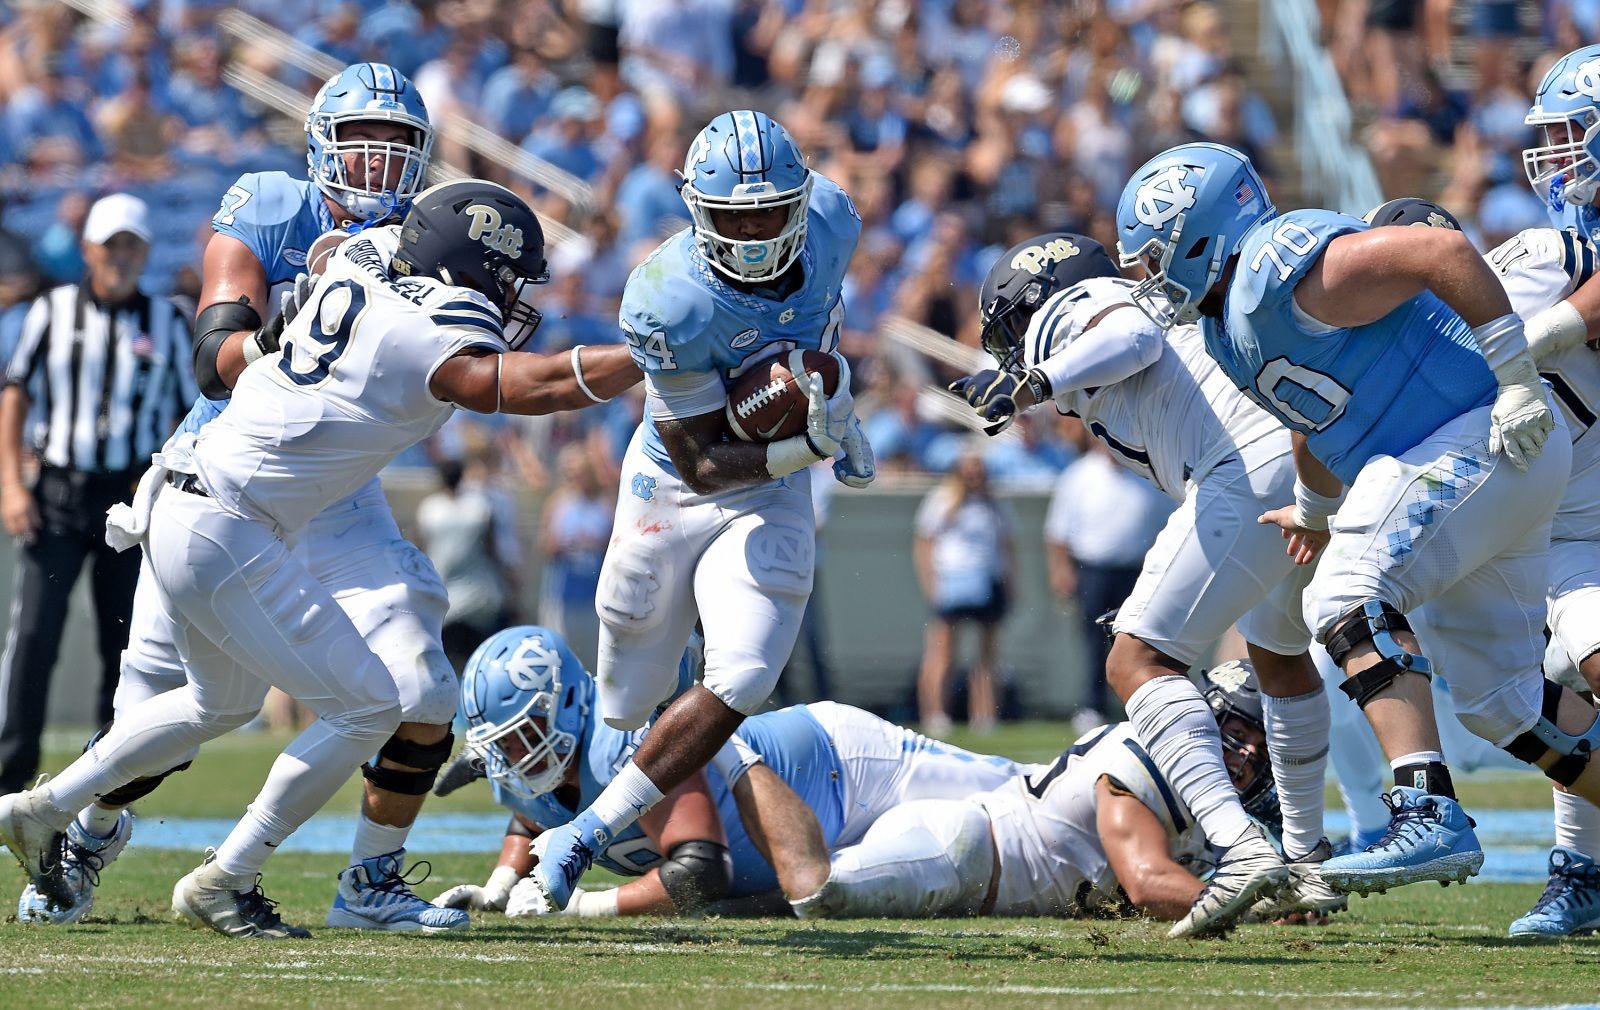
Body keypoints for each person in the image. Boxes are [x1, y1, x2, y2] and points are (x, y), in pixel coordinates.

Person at [0, 179, 640, 939]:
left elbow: (359, 248)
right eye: (504, 276)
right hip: (229, 521)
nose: (510, 295)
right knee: (370, 703)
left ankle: (41, 810)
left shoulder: (363, 260)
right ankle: (225, 878)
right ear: (466, 269)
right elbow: (507, 384)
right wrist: (643, 357)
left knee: (221, 705)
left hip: (187, 495)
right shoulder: (425, 330)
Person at [9, 63, 478, 932]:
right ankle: (88, 831)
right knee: (155, 722)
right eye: (359, 150)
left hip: (335, 491)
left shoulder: (432, 237)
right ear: (318, 149)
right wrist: (303, 325)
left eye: (396, 152)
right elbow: (212, 356)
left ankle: (369, 884)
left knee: (424, 690)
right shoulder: (272, 204)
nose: (377, 173)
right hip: (226, 472)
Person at [1112, 142, 1599, 899]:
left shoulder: (1279, 266)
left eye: (1152, 258)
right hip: (1483, 460)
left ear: (1201, 232)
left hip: (1486, 433)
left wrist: (1513, 377)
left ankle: (1425, 808)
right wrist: (1312, 510)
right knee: (1501, 702)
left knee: (1340, 597)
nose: (1148, 279)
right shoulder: (1228, 325)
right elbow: (1312, 421)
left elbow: (1440, 249)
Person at [526, 110, 875, 912]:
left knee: (745, 672)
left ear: (802, 198)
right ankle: (664, 741)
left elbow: (815, 338)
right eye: (734, 217)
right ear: (694, 210)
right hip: (674, 485)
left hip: (773, 493)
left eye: (769, 211)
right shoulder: (666, 294)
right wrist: (812, 446)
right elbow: (703, 458)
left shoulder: (833, 219)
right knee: (622, 702)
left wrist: (836, 404)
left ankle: (578, 836)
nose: (754, 234)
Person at [948, 232, 1334, 937]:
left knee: (1136, 660)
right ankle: (1305, 858)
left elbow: (1132, 336)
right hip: (1298, 456)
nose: (1011, 347)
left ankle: (1241, 847)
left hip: (1244, 465)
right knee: (1277, 653)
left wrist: (1033, 381)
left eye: (1010, 330)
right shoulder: (1120, 308)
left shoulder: (1083, 310)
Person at [1362, 194, 1600, 937]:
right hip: (1555, 539)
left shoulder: (1533, 261)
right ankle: (1583, 871)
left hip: (1580, 518)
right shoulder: (1389, 354)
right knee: (1543, 688)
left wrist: (1526, 343)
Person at [433, 624, 1023, 918]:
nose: (514, 758)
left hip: (848, 765)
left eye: (524, 737)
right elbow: (531, 816)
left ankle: (1108, 757)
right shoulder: (526, 767)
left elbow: (700, 871)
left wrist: (583, 905)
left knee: (1022, 794)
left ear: (566, 706)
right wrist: (502, 886)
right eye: (503, 746)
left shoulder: (619, 747)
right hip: (805, 849)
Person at [764, 662, 1279, 922]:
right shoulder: (1146, 759)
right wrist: (1258, 905)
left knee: (799, 896)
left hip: (976, 875)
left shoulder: (1213, 808)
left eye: (1261, 749)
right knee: (822, 895)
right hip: (962, 851)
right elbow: (1147, 883)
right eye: (1236, 734)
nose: (1246, 756)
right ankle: (743, 770)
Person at [0, 193, 197, 797]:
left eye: (132, 245)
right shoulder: (52, 311)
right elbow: (14, 392)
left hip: (128, 498)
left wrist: (159, 487)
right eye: (111, 245)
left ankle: (106, 781)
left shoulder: (166, 321)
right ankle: (8, 776)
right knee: (35, 635)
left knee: (124, 645)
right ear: (88, 250)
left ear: (146, 252)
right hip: (58, 493)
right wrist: (11, 483)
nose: (121, 257)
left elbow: (191, 412)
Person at [1043, 439, 1175, 730]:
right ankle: (1093, 706)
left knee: (1138, 641)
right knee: (1093, 641)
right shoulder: (1079, 475)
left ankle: (1138, 705)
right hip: (1093, 570)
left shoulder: (1146, 474)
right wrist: (1061, 570)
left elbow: (1170, 521)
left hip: (1138, 570)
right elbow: (1057, 531)